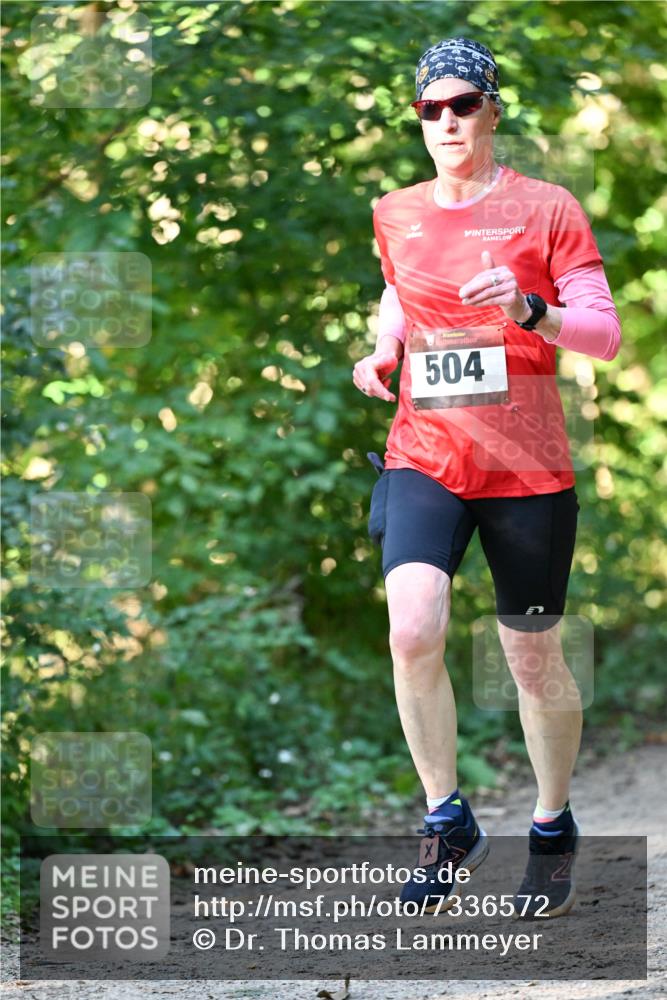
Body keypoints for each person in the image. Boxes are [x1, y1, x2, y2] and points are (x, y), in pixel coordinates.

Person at [353, 37, 621, 918]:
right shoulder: (394, 210)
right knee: (412, 629)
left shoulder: (547, 208)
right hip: (425, 453)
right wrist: (385, 345)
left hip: (528, 468)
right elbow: (399, 290)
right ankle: (445, 817)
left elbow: (602, 331)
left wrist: (529, 308)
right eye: (429, 109)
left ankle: (550, 824)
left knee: (531, 660)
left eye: (461, 104)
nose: (445, 122)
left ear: (492, 110)